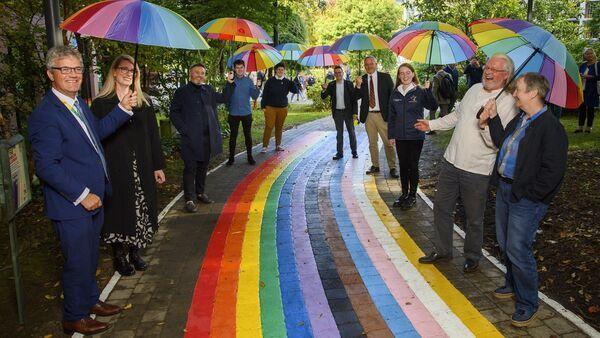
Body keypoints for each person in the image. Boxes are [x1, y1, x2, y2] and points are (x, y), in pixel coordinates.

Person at [29, 46, 137, 334]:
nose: (73, 75)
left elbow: (96, 134)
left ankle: (90, 301)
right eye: (65, 69)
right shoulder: (46, 114)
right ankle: (74, 315)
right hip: (73, 204)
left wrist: (123, 108)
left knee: (89, 256)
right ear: (50, 73)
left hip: (95, 197)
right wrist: (81, 194)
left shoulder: (77, 104)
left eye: (77, 69)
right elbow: (46, 167)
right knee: (77, 261)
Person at [414, 53, 519, 273]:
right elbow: (456, 117)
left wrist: (486, 122)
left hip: (477, 169)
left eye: (494, 69)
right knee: (441, 208)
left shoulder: (509, 103)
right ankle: (443, 250)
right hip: (452, 161)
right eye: (487, 67)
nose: (488, 72)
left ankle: (472, 256)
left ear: (506, 75)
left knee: (473, 217)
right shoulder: (473, 90)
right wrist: (431, 124)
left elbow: (496, 144)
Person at [479, 72, 568, 327]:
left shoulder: (550, 127)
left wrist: (531, 196)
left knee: (518, 249)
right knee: (505, 243)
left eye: (518, 89)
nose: (514, 93)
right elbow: (501, 142)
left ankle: (528, 303)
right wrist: (492, 118)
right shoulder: (521, 118)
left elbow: (553, 172)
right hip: (506, 190)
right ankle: (512, 284)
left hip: (525, 199)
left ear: (532, 93)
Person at [91, 55, 166, 277]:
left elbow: (153, 136)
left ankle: (135, 251)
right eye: (123, 68)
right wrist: (121, 109)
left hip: (142, 164)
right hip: (117, 166)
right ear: (113, 72)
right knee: (119, 210)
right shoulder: (101, 104)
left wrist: (158, 166)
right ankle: (119, 254)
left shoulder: (144, 102)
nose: (127, 73)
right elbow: (98, 136)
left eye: (133, 70)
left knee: (140, 207)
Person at [170, 63, 235, 213]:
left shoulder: (209, 90)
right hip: (190, 139)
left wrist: (229, 83)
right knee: (190, 168)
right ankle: (189, 199)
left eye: (202, 73)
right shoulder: (182, 92)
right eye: (197, 72)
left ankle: (200, 193)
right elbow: (174, 112)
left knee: (203, 167)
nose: (200, 75)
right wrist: (184, 129)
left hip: (207, 138)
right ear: (190, 74)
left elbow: (224, 98)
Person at [388, 63, 437, 210]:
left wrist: (429, 90)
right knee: (403, 165)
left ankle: (412, 195)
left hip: (415, 135)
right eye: (401, 73)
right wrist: (391, 135)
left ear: (413, 74)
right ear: (398, 76)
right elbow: (391, 116)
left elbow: (433, 106)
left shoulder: (420, 91)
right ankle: (404, 194)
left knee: (412, 165)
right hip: (400, 136)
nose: (404, 75)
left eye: (407, 72)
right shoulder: (395, 93)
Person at [356, 56, 398, 178]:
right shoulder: (361, 79)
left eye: (371, 63)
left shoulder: (385, 77)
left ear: (376, 64)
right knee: (372, 143)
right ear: (364, 66)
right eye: (366, 64)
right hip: (368, 116)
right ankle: (375, 165)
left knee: (388, 143)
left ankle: (393, 167)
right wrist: (358, 86)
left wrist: (393, 115)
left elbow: (392, 97)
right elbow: (356, 97)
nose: (369, 66)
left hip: (382, 115)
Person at [226, 59, 261, 166]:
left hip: (246, 112)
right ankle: (231, 158)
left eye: (241, 67)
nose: (239, 70)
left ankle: (250, 157)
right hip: (233, 113)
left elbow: (254, 96)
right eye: (237, 68)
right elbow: (226, 95)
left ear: (244, 68)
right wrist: (229, 83)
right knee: (233, 136)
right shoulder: (230, 80)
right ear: (234, 69)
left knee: (247, 135)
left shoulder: (248, 81)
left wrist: (258, 86)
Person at [320, 65, 359, 160]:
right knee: (339, 133)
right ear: (334, 74)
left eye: (339, 72)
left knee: (351, 132)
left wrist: (355, 113)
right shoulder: (332, 85)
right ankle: (339, 153)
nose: (338, 74)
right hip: (337, 113)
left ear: (343, 73)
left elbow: (354, 100)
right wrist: (324, 89)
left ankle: (354, 152)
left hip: (348, 112)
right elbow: (323, 96)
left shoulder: (349, 84)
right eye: (336, 73)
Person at [260, 62, 299, 152]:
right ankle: (265, 146)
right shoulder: (270, 81)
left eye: (282, 70)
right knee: (269, 126)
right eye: (278, 69)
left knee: (279, 127)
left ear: (284, 71)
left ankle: (278, 145)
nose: (280, 71)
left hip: (282, 108)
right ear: (275, 71)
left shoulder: (287, 82)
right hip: (270, 107)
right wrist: (263, 106)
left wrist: (293, 83)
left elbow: (295, 91)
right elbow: (265, 94)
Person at [575, 47, 598, 133]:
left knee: (590, 109)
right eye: (587, 54)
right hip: (582, 89)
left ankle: (589, 127)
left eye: (591, 53)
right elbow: (578, 75)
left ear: (594, 54)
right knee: (582, 108)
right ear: (584, 55)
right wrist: (580, 76)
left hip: (592, 89)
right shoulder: (582, 65)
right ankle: (580, 127)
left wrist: (588, 76)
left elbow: (598, 77)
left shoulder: (597, 64)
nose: (589, 55)